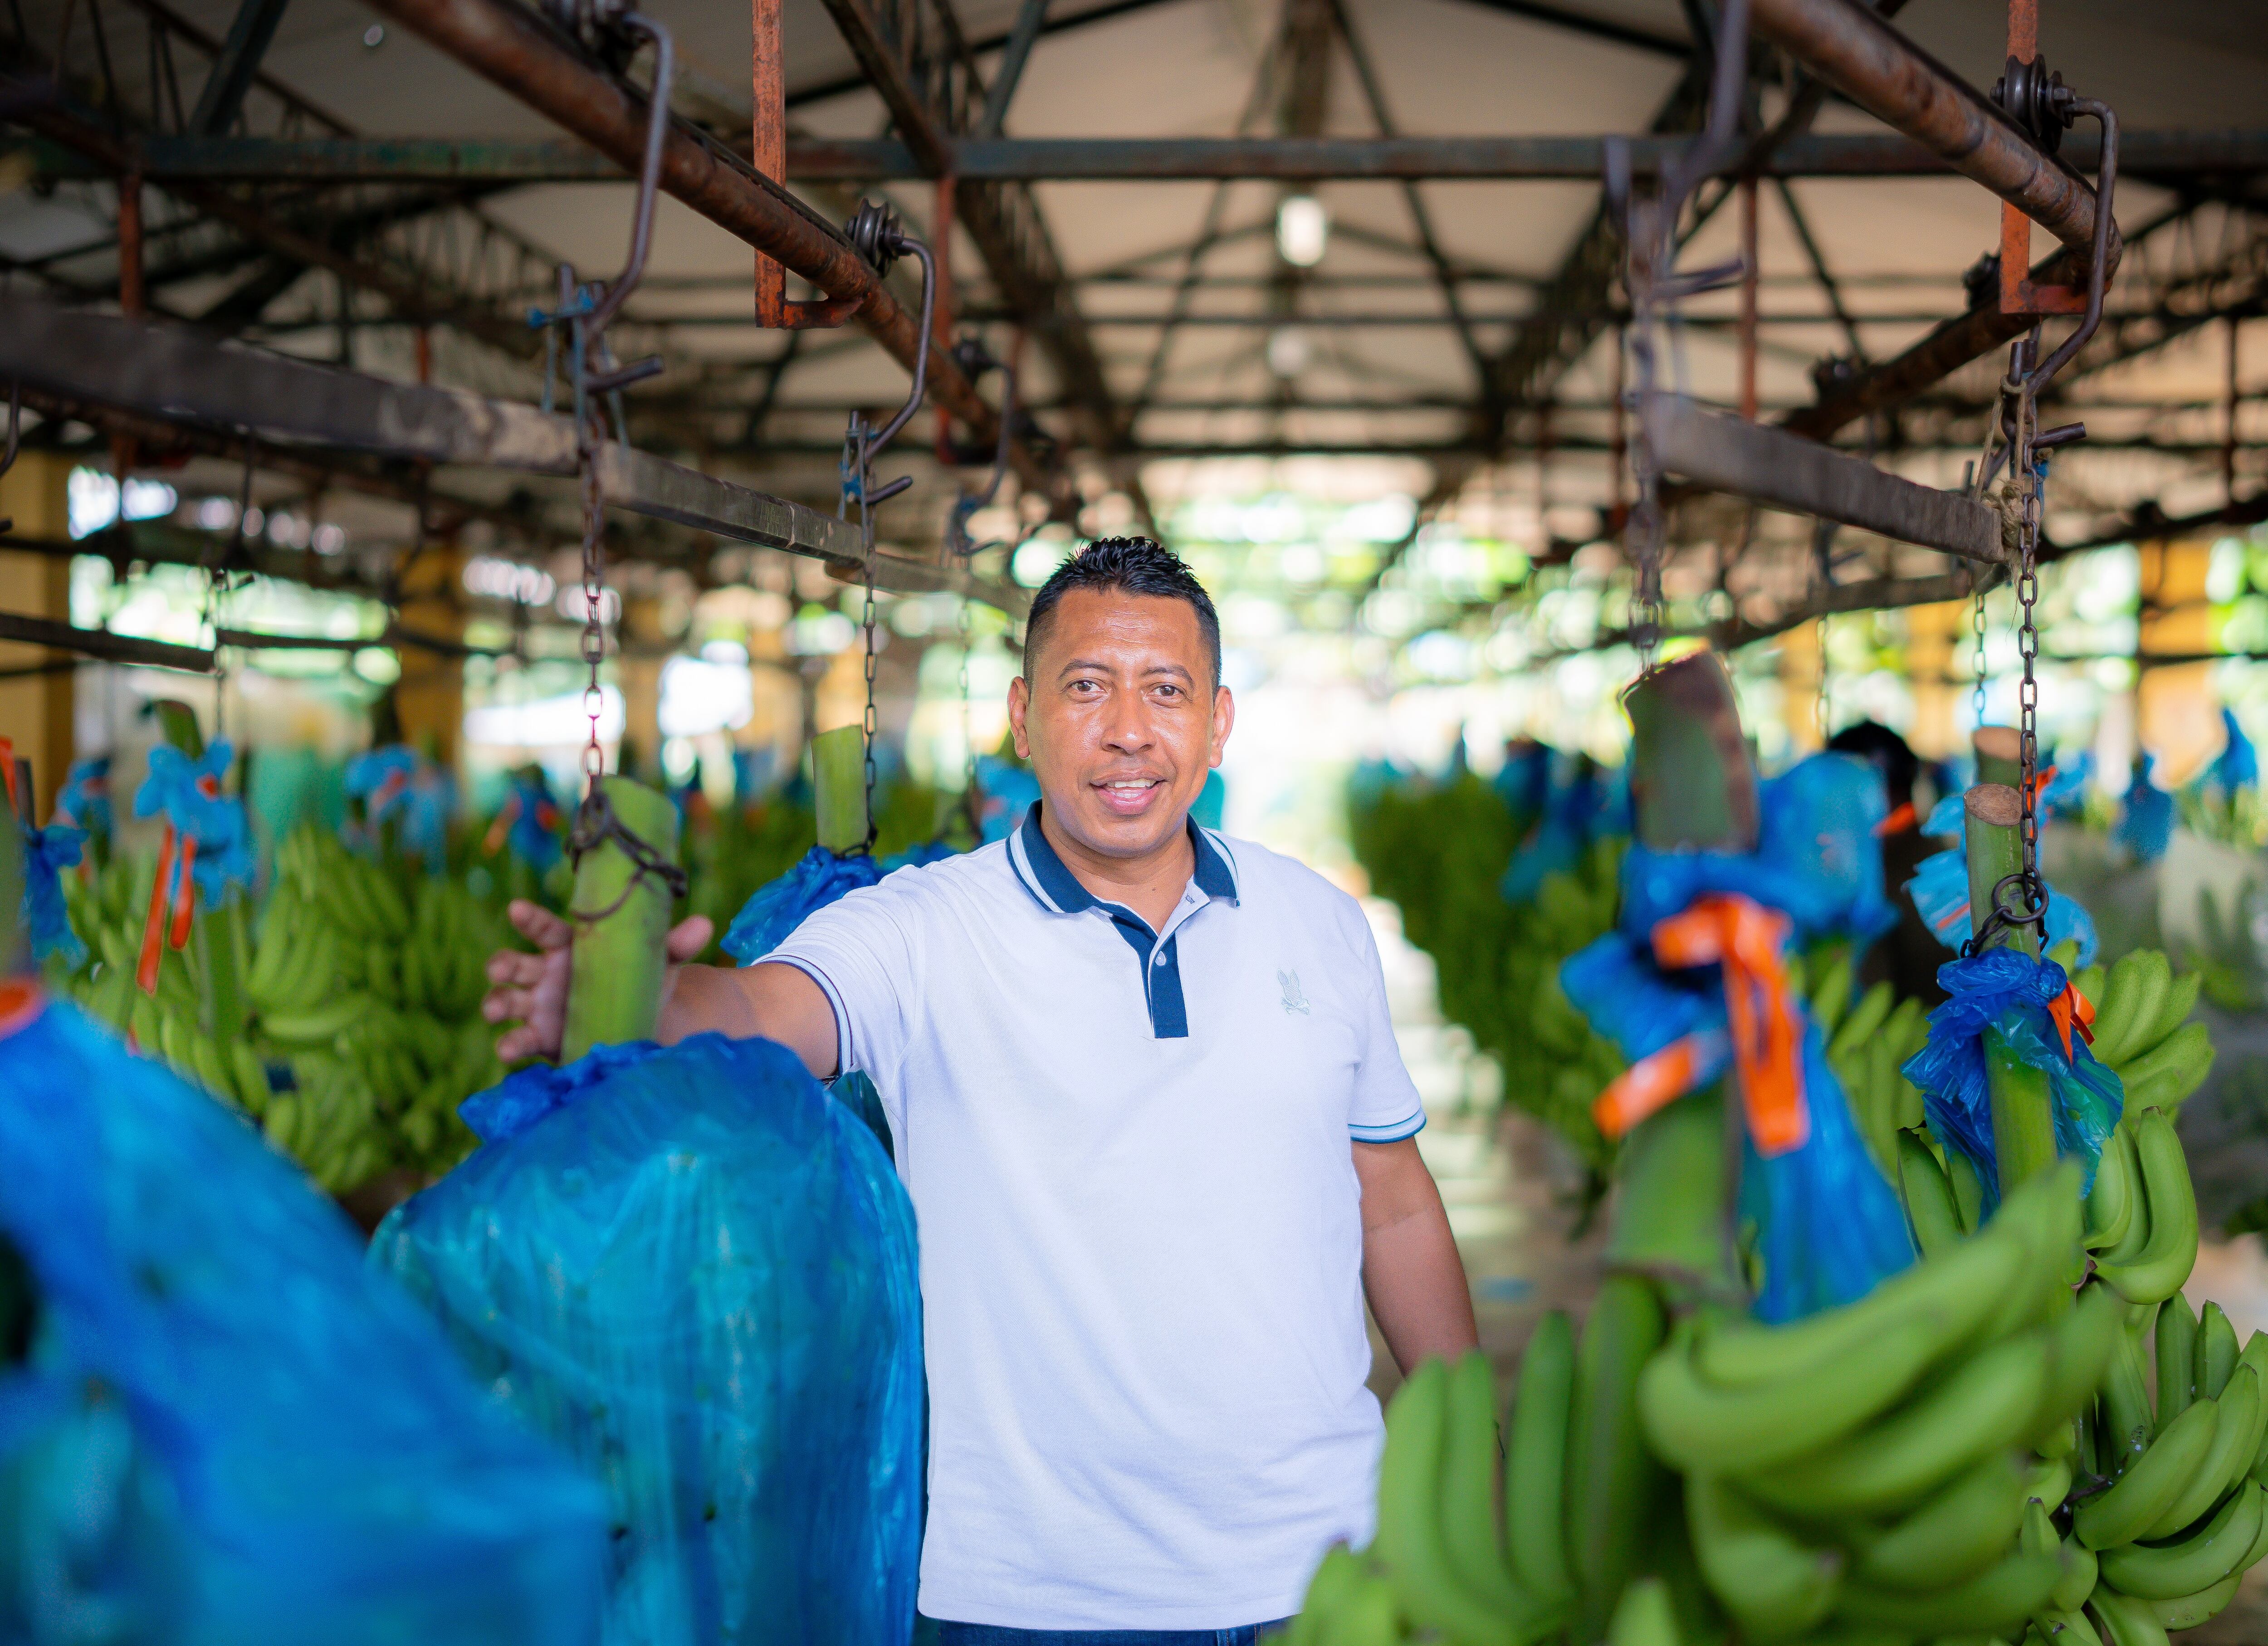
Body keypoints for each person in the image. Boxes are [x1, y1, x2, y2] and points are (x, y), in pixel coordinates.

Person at [483, 537, 1477, 1644]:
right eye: (1086, 687)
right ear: (1022, 715)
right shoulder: (921, 928)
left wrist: (1471, 1442)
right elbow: (762, 1013)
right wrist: (639, 995)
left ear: (1218, 722)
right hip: (1032, 1595)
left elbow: (1389, 1199)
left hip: (1324, 1572)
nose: (1128, 731)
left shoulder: (1320, 924)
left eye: (1166, 690)